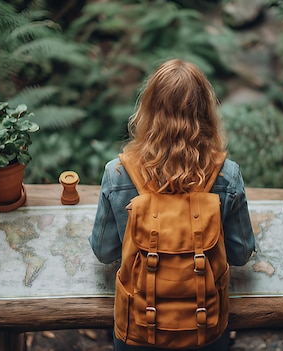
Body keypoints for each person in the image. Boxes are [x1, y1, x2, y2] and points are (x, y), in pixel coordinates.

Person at [89, 58, 255, 351]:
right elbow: (241, 254)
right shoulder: (227, 175)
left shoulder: (117, 173)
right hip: (206, 333)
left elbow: (104, 252)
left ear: (147, 110)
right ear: (206, 113)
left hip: (137, 332)